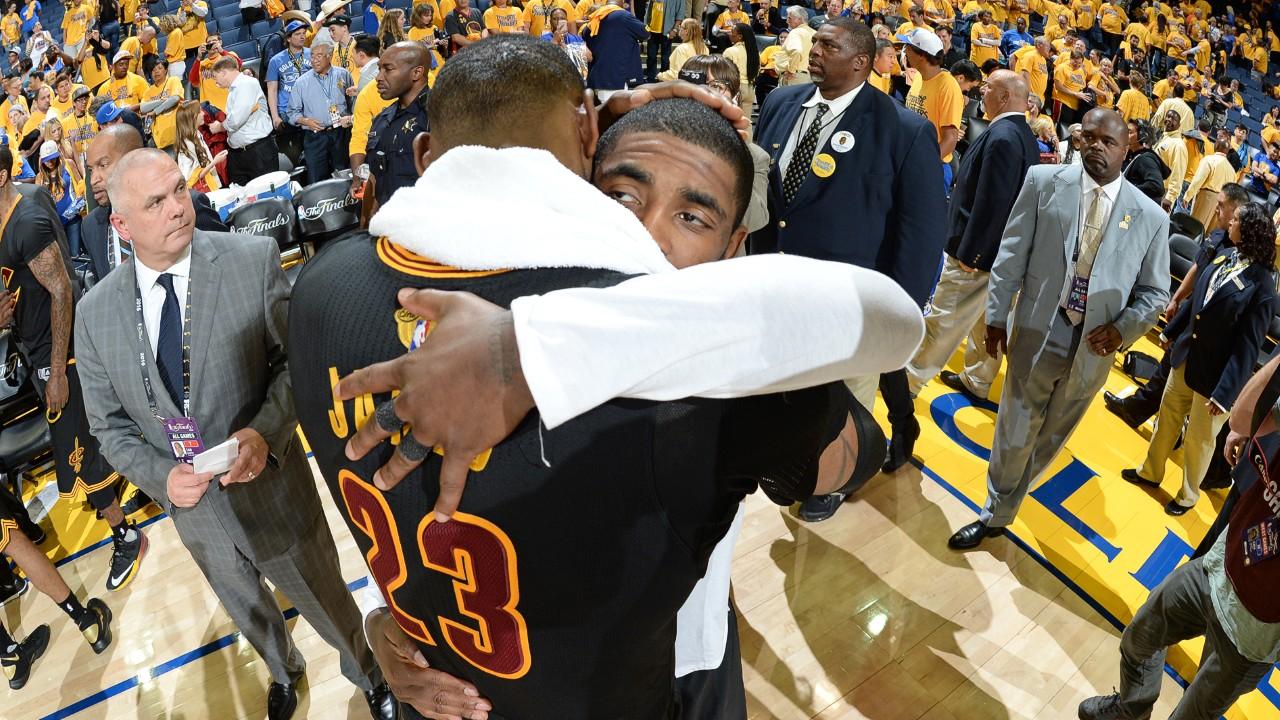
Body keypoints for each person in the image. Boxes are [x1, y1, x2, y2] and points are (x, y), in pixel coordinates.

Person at [290, 36, 920, 718]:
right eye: (622, 197)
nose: (650, 237)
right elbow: (874, 337)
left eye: (691, 216)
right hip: (639, 677)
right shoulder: (705, 393)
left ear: (734, 248)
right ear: (581, 183)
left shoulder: (327, 283)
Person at [75, 148, 398, 720]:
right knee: (245, 607)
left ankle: (369, 672)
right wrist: (159, 478)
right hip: (194, 510)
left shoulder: (252, 259)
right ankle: (282, 671)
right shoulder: (94, 315)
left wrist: (264, 433)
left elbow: (294, 369)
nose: (178, 207)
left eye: (179, 189)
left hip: (272, 489)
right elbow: (108, 426)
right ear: (121, 225)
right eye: (156, 202)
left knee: (323, 596)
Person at [947, 108, 1170, 550]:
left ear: (1127, 148)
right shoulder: (1043, 182)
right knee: (1014, 428)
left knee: (1052, 436)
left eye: (1108, 141)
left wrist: (1124, 329)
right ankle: (996, 510)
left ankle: (1007, 502)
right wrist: (995, 315)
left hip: (1095, 345)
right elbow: (1012, 254)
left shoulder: (1150, 217)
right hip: (1037, 327)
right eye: (1088, 138)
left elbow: (1155, 292)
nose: (1096, 148)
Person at [754, 18, 946, 518]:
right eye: (814, 41)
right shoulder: (779, 102)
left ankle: (830, 483)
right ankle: (773, 454)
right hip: (773, 286)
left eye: (827, 45)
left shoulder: (905, 130)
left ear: (860, 62)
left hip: (850, 306)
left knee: (838, 404)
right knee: (781, 386)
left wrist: (893, 316)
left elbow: (921, 237)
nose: (814, 50)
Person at [1080, 346, 1280, 720]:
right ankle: (1130, 709)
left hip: (1254, 633)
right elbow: (1242, 416)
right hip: (1218, 568)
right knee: (1140, 637)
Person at [1124, 198, 1277, 510]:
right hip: (1188, 358)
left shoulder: (1262, 287)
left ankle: (1188, 494)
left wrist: (1225, 394)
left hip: (1217, 378)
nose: (1229, 223)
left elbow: (1248, 347)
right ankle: (1150, 471)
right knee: (1166, 417)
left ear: (1248, 231)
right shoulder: (1227, 255)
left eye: (1236, 221)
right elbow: (1199, 303)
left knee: (1199, 440)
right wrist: (1170, 331)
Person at [906, 70, 1038, 403]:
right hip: (1000, 252)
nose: (982, 90)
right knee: (987, 320)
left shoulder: (1005, 136)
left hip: (977, 253)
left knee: (944, 317)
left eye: (988, 87)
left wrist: (972, 254)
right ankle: (978, 378)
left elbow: (993, 203)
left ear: (1005, 97)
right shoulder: (1023, 134)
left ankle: (909, 379)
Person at [82, 125, 226, 283]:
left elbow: (226, 265)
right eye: (90, 170)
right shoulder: (91, 226)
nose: (93, 179)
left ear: (133, 159)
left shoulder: (188, 205)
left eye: (103, 165)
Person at [360, 41, 428, 210]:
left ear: (416, 73)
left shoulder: (439, 116)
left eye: (388, 69)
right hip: (388, 226)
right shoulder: (381, 119)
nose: (378, 77)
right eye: (379, 69)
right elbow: (375, 178)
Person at [899, 27, 964, 188]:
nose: (904, 51)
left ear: (922, 55)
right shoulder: (919, 77)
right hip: (909, 161)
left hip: (931, 168)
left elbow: (950, 139)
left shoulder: (947, 85)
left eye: (908, 48)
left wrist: (923, 166)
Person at [285, 38, 353, 184]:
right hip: (315, 137)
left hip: (341, 134)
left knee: (345, 175)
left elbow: (352, 102)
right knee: (317, 179)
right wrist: (305, 121)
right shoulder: (301, 82)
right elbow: (291, 112)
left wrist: (349, 118)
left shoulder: (343, 75)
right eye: (312, 56)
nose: (314, 60)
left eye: (319, 56)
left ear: (329, 56)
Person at [210, 54, 278, 186]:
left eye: (215, 77)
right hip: (240, 154)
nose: (215, 82)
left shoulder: (246, 83)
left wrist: (219, 127)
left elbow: (236, 121)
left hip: (258, 151)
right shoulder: (234, 90)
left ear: (223, 72)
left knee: (266, 195)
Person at [581, 0, 647, 95]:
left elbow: (585, 35)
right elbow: (646, 33)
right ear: (621, 4)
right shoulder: (624, 16)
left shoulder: (595, 18)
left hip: (597, 80)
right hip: (617, 80)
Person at [1185, 135, 1239, 229]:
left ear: (1216, 145)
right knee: (1205, 234)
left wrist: (1187, 196)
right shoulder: (1232, 170)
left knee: (1194, 228)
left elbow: (1198, 180)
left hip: (1207, 197)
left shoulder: (1209, 160)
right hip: (1222, 203)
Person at [266, 19, 310, 133]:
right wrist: (275, 117)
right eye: (297, 34)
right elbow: (272, 91)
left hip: (311, 107)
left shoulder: (313, 54)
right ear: (288, 38)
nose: (302, 37)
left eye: (303, 33)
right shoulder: (275, 60)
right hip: (287, 111)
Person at [174, 100, 225, 192]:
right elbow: (191, 178)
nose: (203, 114)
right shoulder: (187, 144)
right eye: (199, 112)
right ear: (192, 118)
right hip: (202, 192)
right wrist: (215, 161)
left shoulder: (197, 133)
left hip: (211, 185)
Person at [1122, 118, 1170, 203]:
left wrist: (1130, 190)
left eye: (1129, 132)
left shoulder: (1146, 159)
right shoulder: (1132, 153)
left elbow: (1156, 186)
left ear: (1142, 136)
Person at [1154, 107, 1189, 210]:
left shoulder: (1179, 145)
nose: (1169, 119)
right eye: (1168, 116)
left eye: (1173, 119)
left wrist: (1170, 197)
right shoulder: (1163, 137)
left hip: (1163, 191)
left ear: (1179, 125)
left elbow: (1178, 173)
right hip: (1152, 184)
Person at [722, 22, 757, 117]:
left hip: (736, 89)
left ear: (740, 36)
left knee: (732, 122)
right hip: (750, 89)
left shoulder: (730, 51)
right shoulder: (754, 52)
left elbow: (725, 73)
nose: (729, 33)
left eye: (732, 31)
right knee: (746, 123)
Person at [775, 6, 815, 86]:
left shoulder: (796, 32)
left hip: (794, 77)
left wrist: (791, 71)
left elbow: (796, 51)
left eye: (789, 18)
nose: (787, 21)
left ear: (799, 19)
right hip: (809, 78)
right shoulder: (815, 33)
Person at [657, 16, 703, 81]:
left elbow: (677, 74)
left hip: (684, 87)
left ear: (686, 31)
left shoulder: (682, 49)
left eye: (681, 26)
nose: (679, 29)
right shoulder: (704, 48)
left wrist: (660, 75)